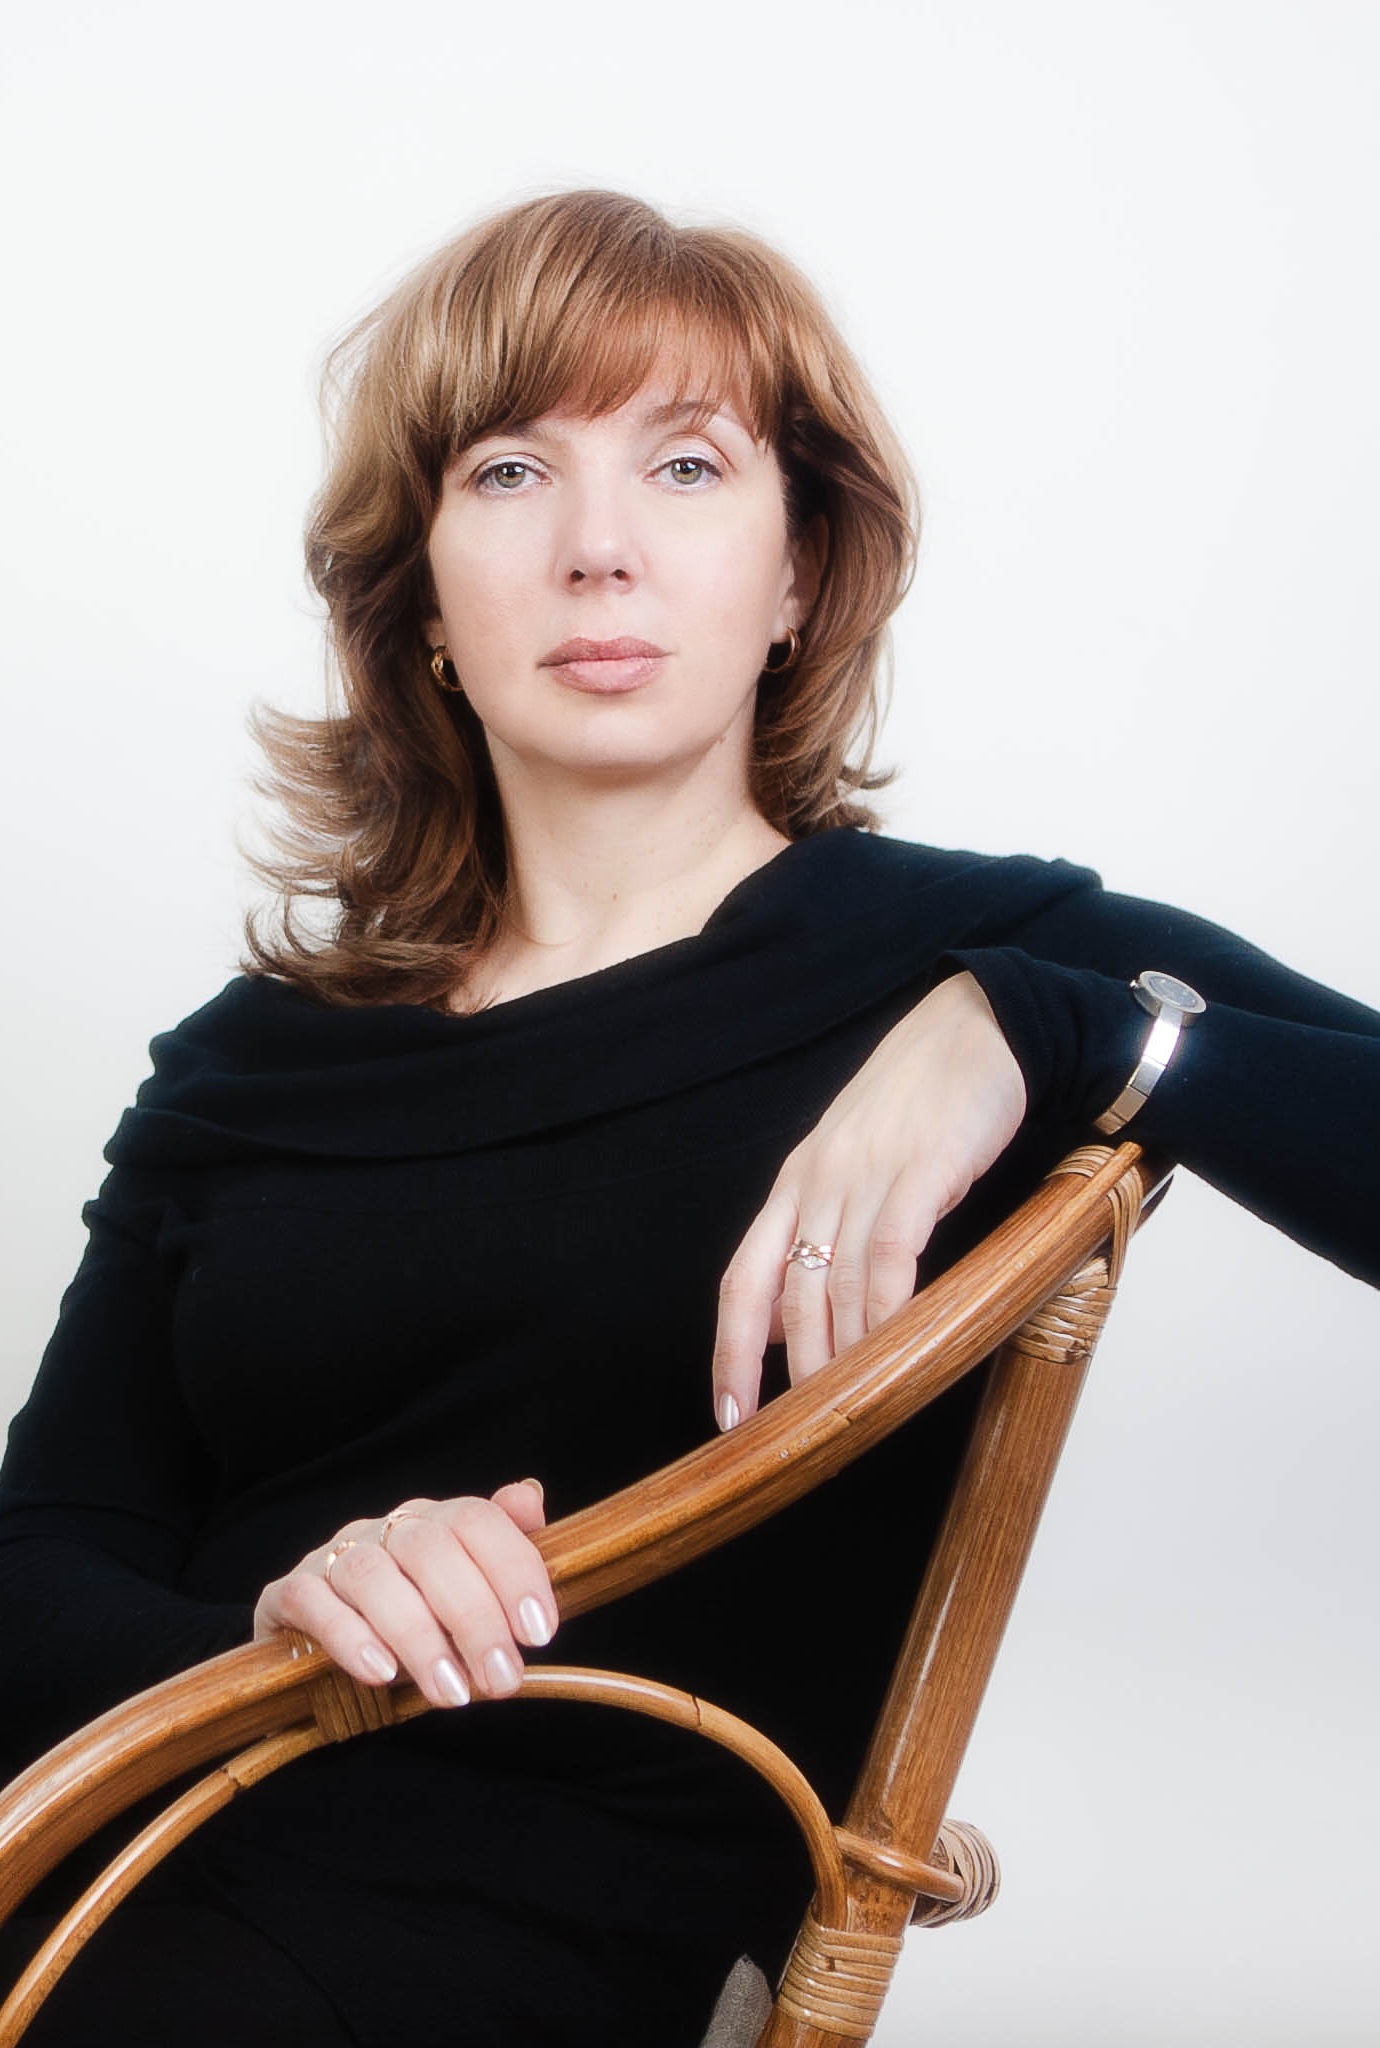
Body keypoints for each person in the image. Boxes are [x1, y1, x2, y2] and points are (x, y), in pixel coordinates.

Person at [0, 186, 1376, 2048]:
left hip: (533, 1932)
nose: (598, 550)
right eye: (509, 473)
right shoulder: (248, 1063)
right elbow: (38, 1559)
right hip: (122, 1842)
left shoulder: (983, 960)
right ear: (418, 596)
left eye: (687, 465)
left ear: (799, 574)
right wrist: (288, 1622)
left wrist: (1065, 1033)